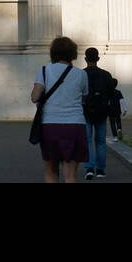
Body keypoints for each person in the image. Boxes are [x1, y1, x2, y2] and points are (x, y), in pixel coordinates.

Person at [30, 36, 90, 183]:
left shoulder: (44, 71)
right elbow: (84, 97)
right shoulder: (81, 74)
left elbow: (34, 97)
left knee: (50, 172)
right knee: (70, 175)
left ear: (53, 52)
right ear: (73, 54)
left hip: (50, 125)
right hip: (75, 125)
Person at [81, 47, 117, 180]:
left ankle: (89, 167)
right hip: (102, 111)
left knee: (88, 140)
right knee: (101, 141)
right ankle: (101, 169)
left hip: (86, 111)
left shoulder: (81, 74)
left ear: (85, 59)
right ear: (98, 59)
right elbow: (111, 94)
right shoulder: (106, 75)